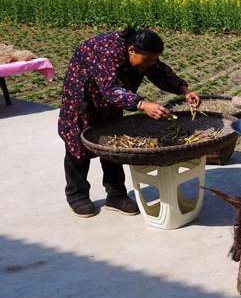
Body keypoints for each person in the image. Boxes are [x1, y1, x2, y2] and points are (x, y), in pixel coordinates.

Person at [58, 27, 200, 218]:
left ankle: (116, 195)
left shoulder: (143, 54)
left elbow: (159, 71)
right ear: (131, 50)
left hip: (110, 102)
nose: (150, 64)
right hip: (82, 98)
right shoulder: (106, 52)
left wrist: (185, 90)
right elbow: (110, 88)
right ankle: (77, 195)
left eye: (154, 59)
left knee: (112, 143)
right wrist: (142, 104)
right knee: (77, 146)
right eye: (147, 59)